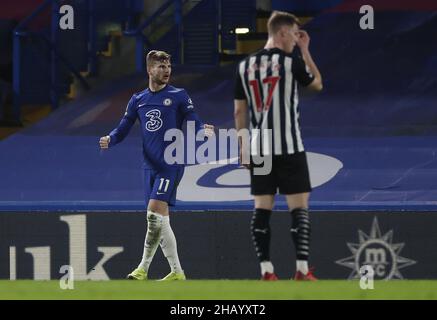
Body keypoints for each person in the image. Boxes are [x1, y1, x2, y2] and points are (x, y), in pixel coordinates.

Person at [100, 50, 214, 281]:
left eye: (168, 66)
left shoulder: (179, 95)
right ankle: (177, 272)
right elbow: (123, 127)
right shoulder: (138, 99)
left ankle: (142, 268)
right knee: (161, 221)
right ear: (150, 70)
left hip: (170, 164)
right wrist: (111, 138)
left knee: (153, 216)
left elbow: (192, 119)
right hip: (148, 166)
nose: (166, 70)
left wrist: (202, 130)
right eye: (161, 66)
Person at [233, 11, 323, 281]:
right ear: (282, 33)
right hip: (290, 146)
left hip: (260, 147)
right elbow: (317, 84)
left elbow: (240, 112)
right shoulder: (290, 62)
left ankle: (266, 270)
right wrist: (306, 51)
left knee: (261, 208)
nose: (297, 40)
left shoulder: (244, 66)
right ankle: (302, 269)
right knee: (299, 208)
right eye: (295, 34)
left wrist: (243, 147)